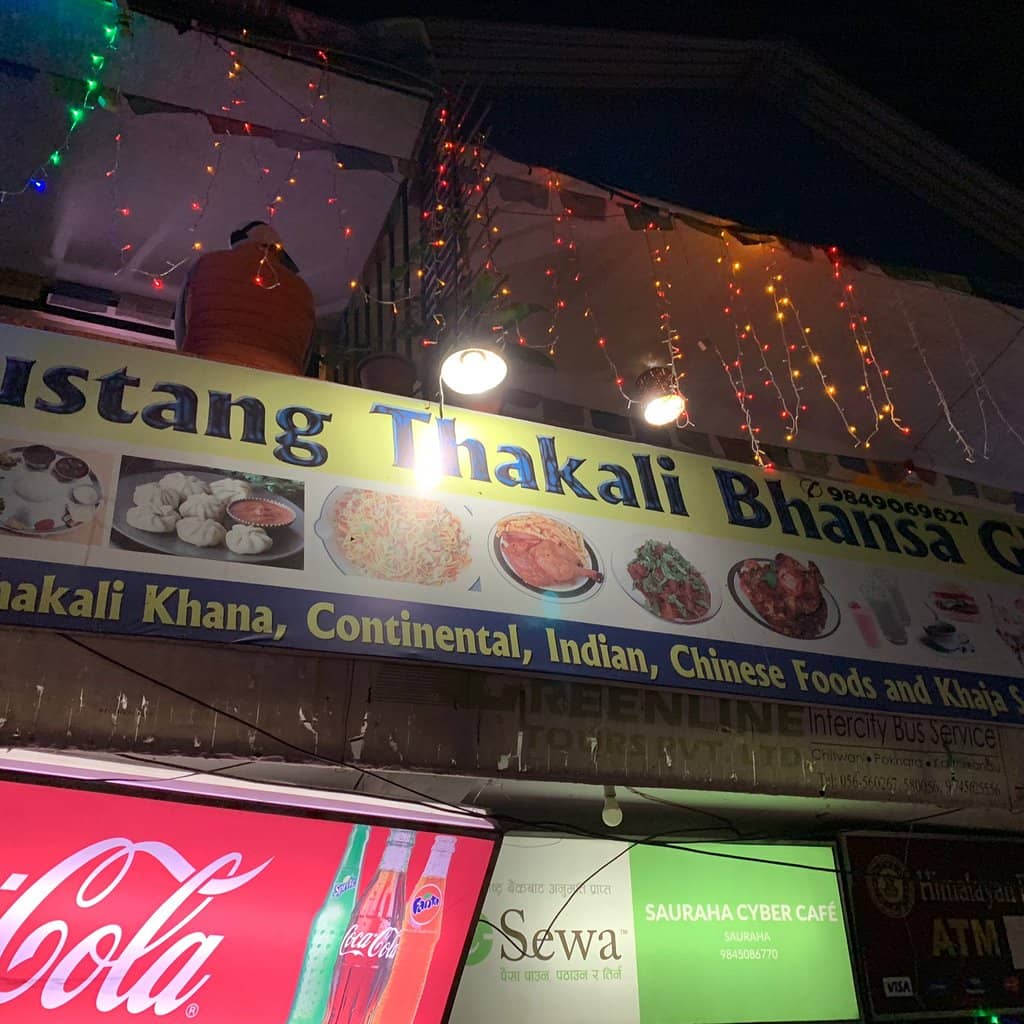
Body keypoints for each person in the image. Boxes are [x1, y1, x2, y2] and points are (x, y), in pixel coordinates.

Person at [175, 221, 315, 375]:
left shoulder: (207, 264)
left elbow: (181, 325)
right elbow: (305, 355)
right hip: (277, 381)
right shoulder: (302, 289)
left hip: (206, 370)